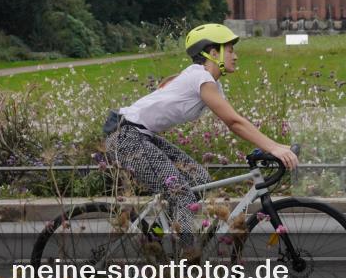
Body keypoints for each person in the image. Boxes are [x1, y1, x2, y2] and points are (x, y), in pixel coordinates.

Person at [103, 23, 299, 246]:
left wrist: (274, 145)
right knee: (182, 194)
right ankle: (186, 257)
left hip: (138, 134)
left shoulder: (207, 82)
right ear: (213, 53)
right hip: (125, 136)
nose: (235, 56)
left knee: (199, 180)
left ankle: (162, 235)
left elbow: (235, 121)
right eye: (230, 50)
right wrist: (274, 147)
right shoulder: (200, 78)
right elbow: (234, 123)